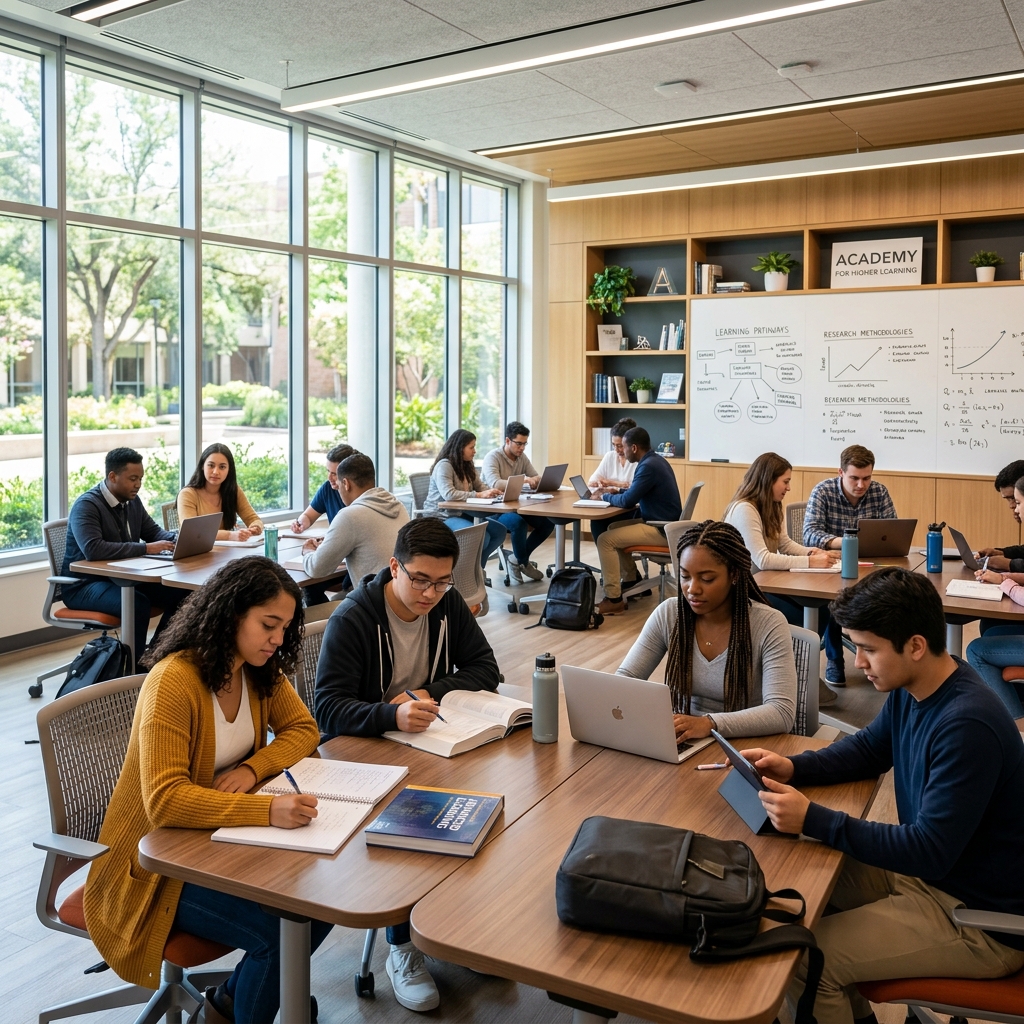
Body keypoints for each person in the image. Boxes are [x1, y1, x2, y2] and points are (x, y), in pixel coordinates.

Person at [740, 567, 1024, 1024]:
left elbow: (928, 851)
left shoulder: (967, 725)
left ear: (915, 645)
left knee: (805, 961)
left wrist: (813, 818)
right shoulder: (921, 684)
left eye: (868, 649)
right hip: (933, 880)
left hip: (977, 919)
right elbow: (870, 750)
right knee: (797, 888)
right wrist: (795, 767)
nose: (858, 663)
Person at [83, 558, 332, 1024]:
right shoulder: (174, 681)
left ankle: (227, 1005)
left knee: (320, 905)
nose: (278, 639)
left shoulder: (258, 668)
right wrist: (265, 811)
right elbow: (165, 801)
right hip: (155, 865)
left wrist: (254, 769)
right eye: (268, 625)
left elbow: (303, 729)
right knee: (280, 933)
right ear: (231, 614)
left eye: (284, 628)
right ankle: (244, 1004)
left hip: (218, 842)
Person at [314, 517, 500, 1012]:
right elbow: (327, 709)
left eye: (442, 582)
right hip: (364, 754)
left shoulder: (445, 604)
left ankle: (447, 927)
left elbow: (486, 668)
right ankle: (403, 947)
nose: (431, 594)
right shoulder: (354, 617)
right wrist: (390, 714)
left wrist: (423, 694)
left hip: (426, 743)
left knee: (483, 805)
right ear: (395, 567)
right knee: (413, 823)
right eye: (420, 580)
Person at [617, 520, 797, 739]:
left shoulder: (769, 624)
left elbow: (781, 712)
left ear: (734, 575)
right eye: (685, 576)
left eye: (706, 579)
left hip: (748, 742)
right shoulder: (670, 614)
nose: (692, 589)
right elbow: (626, 678)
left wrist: (708, 724)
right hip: (686, 736)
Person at [61, 447, 187, 656]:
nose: (138, 484)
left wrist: (179, 539)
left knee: (184, 593)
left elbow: (152, 532)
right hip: (84, 585)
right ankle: (133, 668)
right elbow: (93, 549)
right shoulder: (87, 505)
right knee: (136, 604)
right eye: (133, 479)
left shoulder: (132, 501)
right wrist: (145, 548)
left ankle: (157, 655)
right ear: (112, 476)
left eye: (141, 479)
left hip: (122, 579)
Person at [803, 444, 897, 685]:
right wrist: (846, 542)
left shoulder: (879, 492)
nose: (861, 485)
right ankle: (834, 659)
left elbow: (893, 531)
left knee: (891, 597)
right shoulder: (823, 491)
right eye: (854, 478)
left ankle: (880, 658)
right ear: (841, 472)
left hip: (870, 566)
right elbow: (809, 534)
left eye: (867, 478)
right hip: (831, 568)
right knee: (835, 599)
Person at [594, 426, 682, 616]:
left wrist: (604, 496)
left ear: (633, 448)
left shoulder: (648, 466)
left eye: (624, 447)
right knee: (612, 528)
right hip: (665, 525)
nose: (622, 452)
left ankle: (614, 599)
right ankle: (632, 580)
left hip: (661, 530)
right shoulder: (655, 460)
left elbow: (627, 502)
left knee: (605, 540)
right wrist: (617, 491)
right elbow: (635, 491)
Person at [300, 452, 408, 601]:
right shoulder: (398, 506)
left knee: (312, 596)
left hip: (373, 604)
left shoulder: (350, 515)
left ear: (346, 484)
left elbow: (316, 569)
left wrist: (307, 552)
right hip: (401, 597)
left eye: (338, 485)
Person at [480, 420, 554, 583]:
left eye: (524, 444)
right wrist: (525, 480)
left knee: (548, 523)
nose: (522, 448)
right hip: (494, 509)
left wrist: (534, 479)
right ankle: (523, 562)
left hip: (516, 506)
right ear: (508, 440)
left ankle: (516, 559)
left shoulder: (521, 457)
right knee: (517, 523)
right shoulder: (493, 457)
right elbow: (495, 483)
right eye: (519, 444)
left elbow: (536, 475)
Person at [422, 428, 507, 568]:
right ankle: (466, 572)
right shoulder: (444, 465)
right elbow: (449, 494)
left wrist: (493, 492)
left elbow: (480, 486)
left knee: (499, 532)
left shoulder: (467, 465)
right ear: (460, 448)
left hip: (462, 513)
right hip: (441, 516)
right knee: (482, 537)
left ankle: (477, 571)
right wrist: (478, 495)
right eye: (471, 447)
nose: (475, 451)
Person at [178, 442, 264, 541]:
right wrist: (230, 535)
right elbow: (192, 531)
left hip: (227, 549)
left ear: (229, 470)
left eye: (222, 467)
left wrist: (255, 527)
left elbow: (253, 518)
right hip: (196, 550)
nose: (215, 472)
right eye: (211, 465)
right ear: (202, 466)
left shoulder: (233, 490)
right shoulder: (187, 494)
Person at [587, 417, 638, 542]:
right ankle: (605, 553)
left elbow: (634, 490)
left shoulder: (637, 459)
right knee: (597, 520)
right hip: (611, 505)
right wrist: (614, 484)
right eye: (613, 445)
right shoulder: (610, 456)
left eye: (620, 446)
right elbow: (592, 483)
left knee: (605, 522)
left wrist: (610, 483)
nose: (616, 450)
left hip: (631, 508)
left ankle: (611, 552)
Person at [291, 442, 356, 534]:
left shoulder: (360, 493)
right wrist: (300, 523)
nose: (329, 478)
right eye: (328, 471)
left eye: (334, 474)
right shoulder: (328, 488)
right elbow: (308, 516)